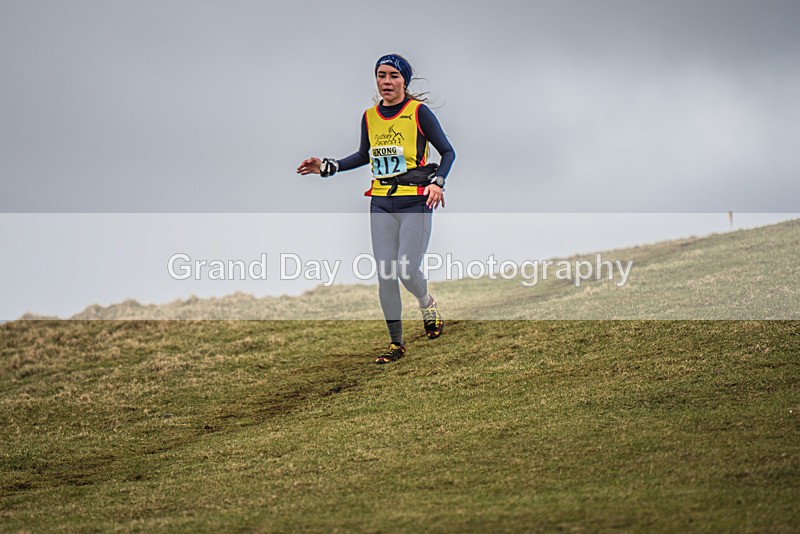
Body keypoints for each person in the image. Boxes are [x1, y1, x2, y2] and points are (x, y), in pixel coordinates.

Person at [296, 53, 456, 364]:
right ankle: (396, 344)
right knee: (386, 273)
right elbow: (362, 155)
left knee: (407, 269)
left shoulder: (418, 113)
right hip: (381, 202)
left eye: (393, 76)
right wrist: (329, 166)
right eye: (381, 75)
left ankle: (426, 302)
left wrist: (438, 182)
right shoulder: (369, 117)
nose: (386, 81)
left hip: (415, 201)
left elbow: (448, 151)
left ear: (404, 81)